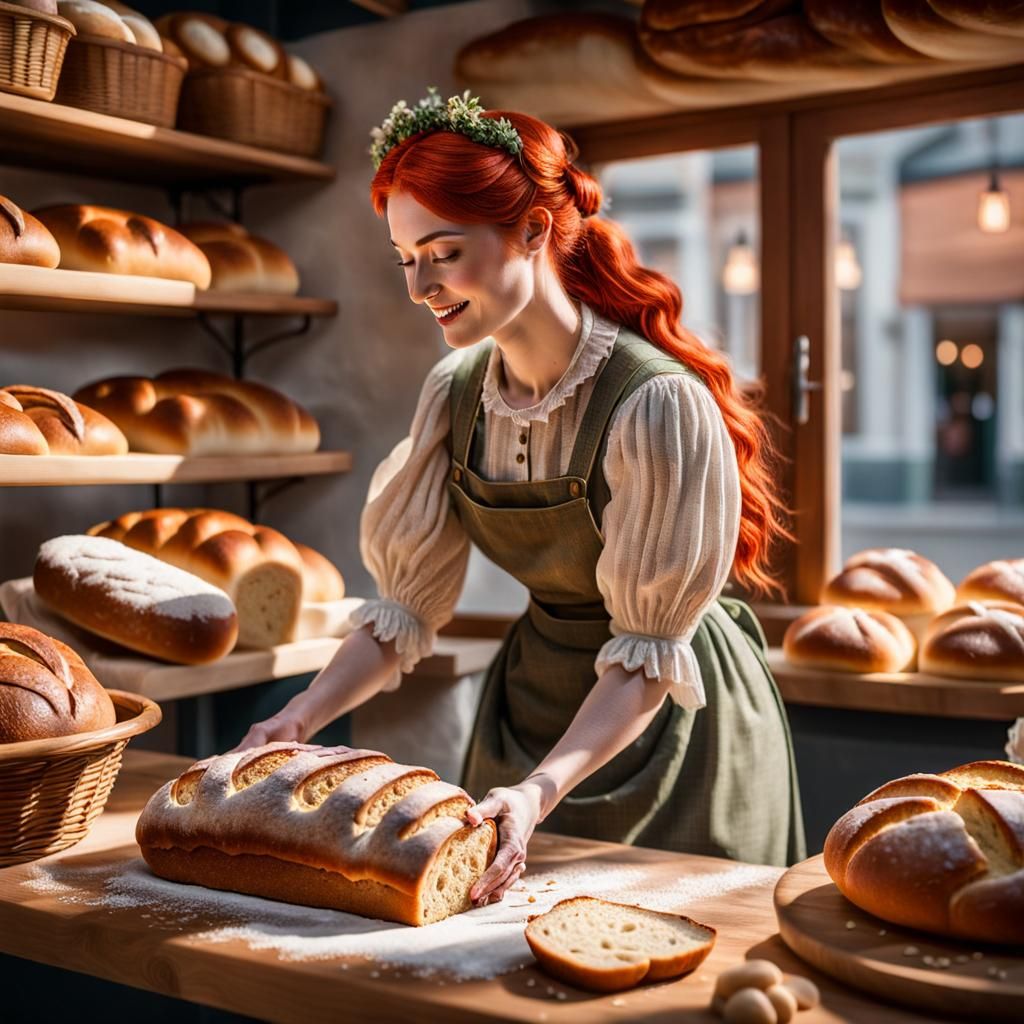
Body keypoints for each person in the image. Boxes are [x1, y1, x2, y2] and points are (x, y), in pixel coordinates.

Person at [233, 89, 805, 907]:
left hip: (672, 711)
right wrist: (301, 716)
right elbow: (402, 614)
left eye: (443, 251)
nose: (419, 285)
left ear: (533, 231)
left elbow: (649, 652)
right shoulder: (454, 395)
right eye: (406, 258)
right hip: (532, 704)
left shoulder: (655, 403)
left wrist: (540, 792)